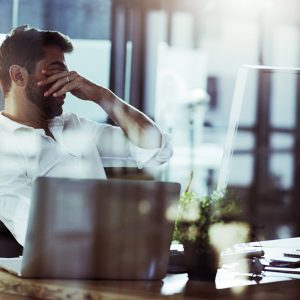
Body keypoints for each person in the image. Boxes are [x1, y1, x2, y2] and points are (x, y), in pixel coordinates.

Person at [0, 25, 173, 247]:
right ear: (18, 75)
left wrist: (103, 96)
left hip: (113, 255)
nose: (69, 78)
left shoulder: (75, 126)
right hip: (61, 272)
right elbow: (38, 232)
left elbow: (156, 149)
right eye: (56, 70)